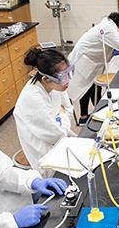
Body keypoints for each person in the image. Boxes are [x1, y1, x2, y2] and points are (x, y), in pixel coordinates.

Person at [67, 11, 119, 124]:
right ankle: (86, 117)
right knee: (84, 88)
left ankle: (96, 113)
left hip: (93, 61)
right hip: (85, 60)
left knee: (92, 88)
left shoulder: (113, 25)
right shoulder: (109, 29)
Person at [14, 48, 76, 176]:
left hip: (60, 140)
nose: (68, 80)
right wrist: (62, 115)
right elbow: (55, 134)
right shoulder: (32, 98)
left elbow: (69, 108)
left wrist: (61, 116)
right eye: (63, 76)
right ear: (45, 79)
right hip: (45, 152)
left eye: (69, 72)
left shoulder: (56, 86)